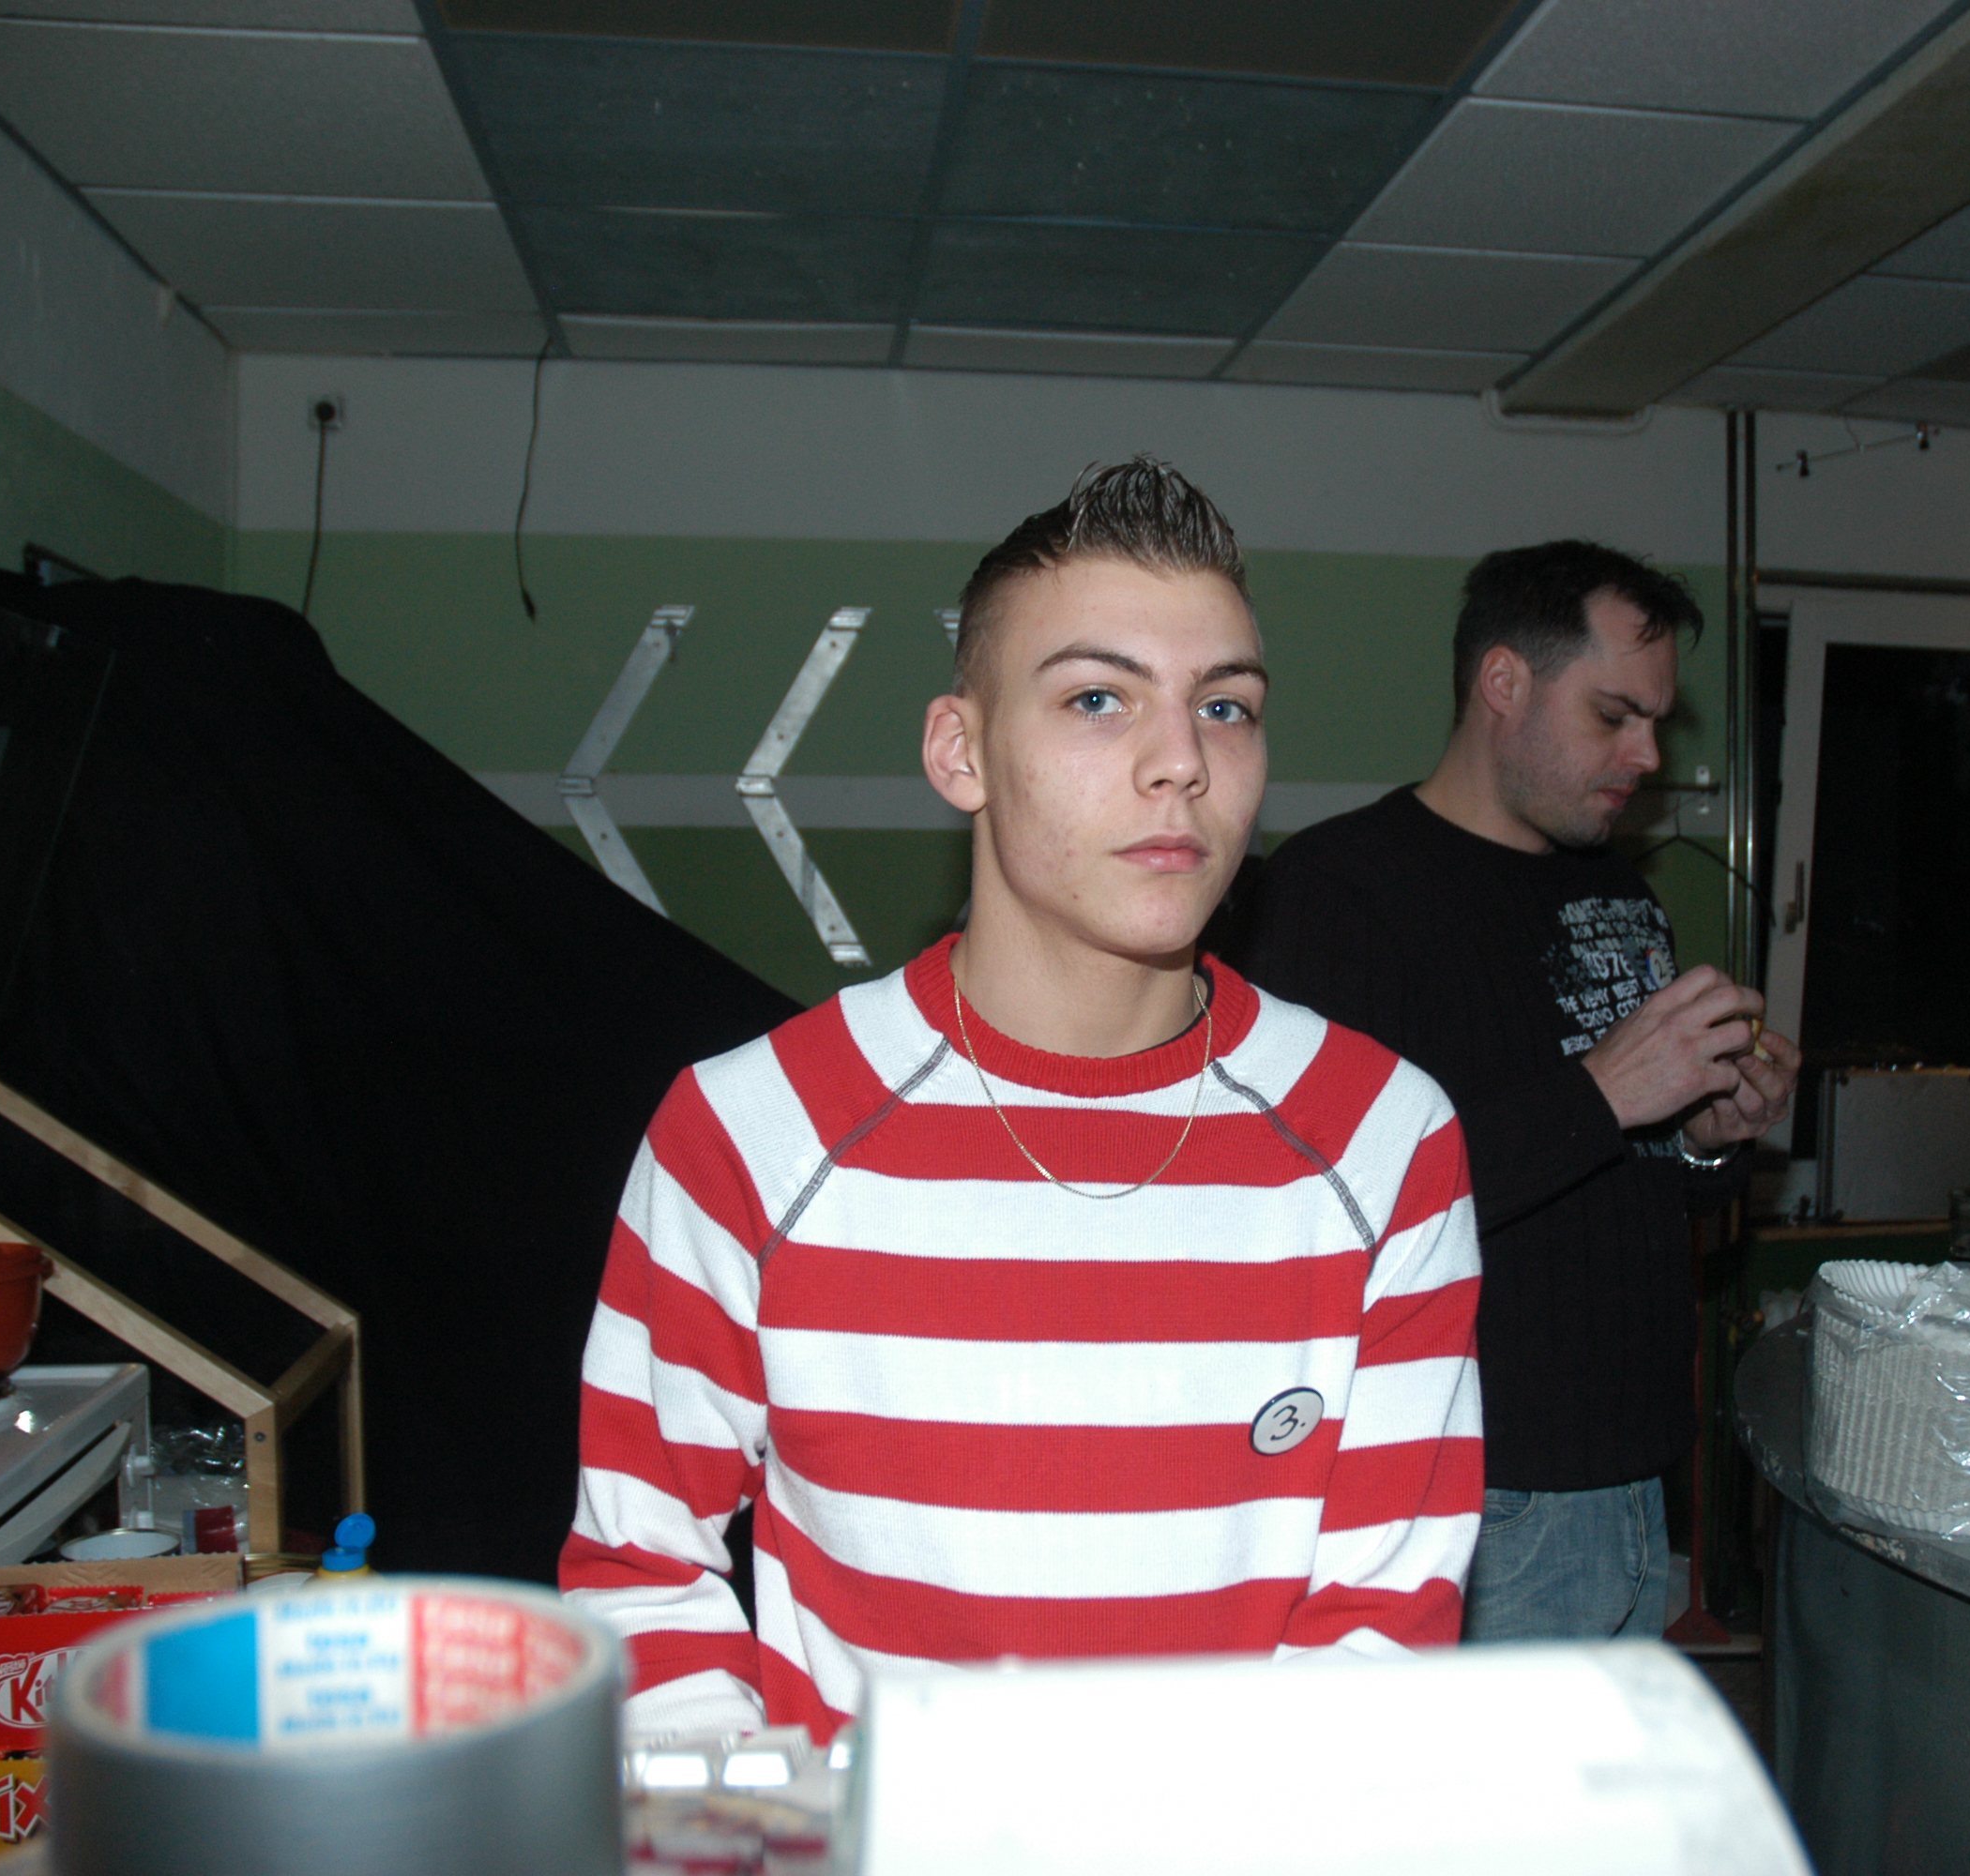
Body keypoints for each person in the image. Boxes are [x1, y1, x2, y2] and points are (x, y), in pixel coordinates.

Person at [559, 458, 1483, 1741]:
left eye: (1225, 707)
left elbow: (1380, 1630)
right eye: (1099, 699)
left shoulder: (1383, 1138)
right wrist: (766, 1828)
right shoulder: (748, 1131)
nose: (1181, 762)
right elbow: (640, 1574)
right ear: (961, 752)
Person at [1229, 540, 1796, 1644]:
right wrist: (1601, 1090)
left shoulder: (1616, 888)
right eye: (1612, 715)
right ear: (1503, 682)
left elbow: (1631, 1178)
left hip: (1634, 1479)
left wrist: (1706, 1139)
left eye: (1655, 721)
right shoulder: (1339, 894)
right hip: (1484, 1497)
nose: (1646, 754)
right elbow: (1322, 1212)